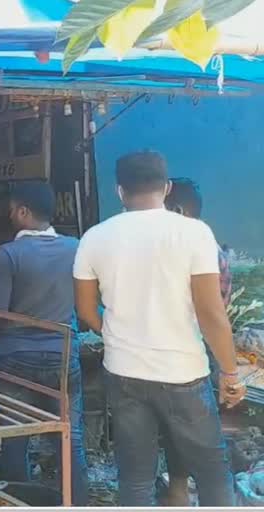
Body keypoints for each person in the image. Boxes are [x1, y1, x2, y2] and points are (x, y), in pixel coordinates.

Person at [73, 152, 245, 506]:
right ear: (166, 188)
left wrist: (119, 335)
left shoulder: (94, 237)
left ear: (120, 191)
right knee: (212, 473)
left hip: (123, 374)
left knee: (135, 478)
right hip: (184, 373)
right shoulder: (194, 233)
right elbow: (211, 312)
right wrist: (230, 373)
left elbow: (85, 309)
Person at [0, 181, 88, 506]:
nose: (10, 216)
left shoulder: (8, 254)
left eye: (12, 210)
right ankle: (76, 504)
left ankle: (16, 503)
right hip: (63, 355)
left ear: (23, 212)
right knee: (71, 439)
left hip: (16, 358)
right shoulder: (75, 247)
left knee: (14, 439)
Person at [160, 177, 233, 506]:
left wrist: (230, 373)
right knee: (193, 437)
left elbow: (212, 314)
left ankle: (183, 492)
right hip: (198, 350)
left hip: (190, 352)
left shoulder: (194, 249)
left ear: (177, 210)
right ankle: (180, 492)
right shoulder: (210, 249)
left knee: (198, 441)